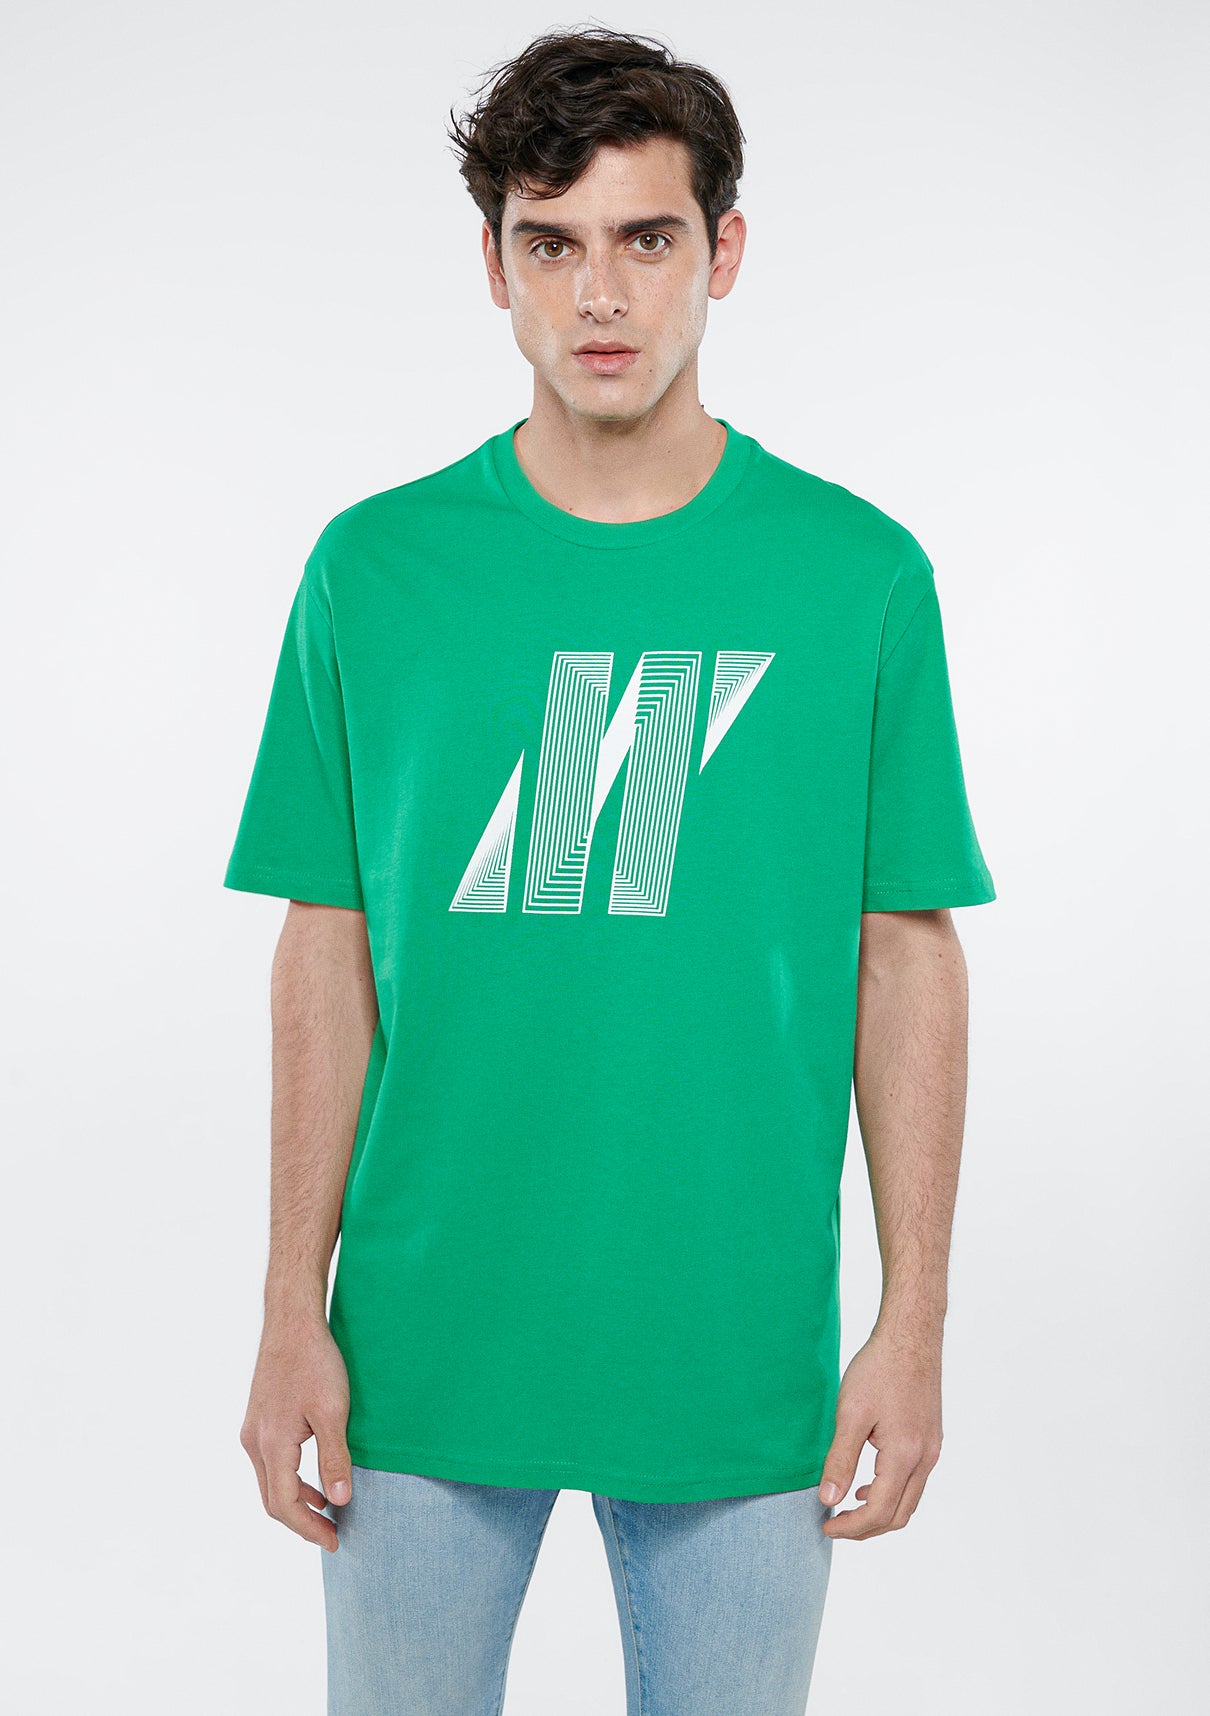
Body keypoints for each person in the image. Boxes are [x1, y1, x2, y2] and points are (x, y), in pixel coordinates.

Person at [224, 24, 996, 1716]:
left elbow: (904, 956)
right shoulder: (375, 572)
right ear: (491, 263)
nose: (599, 294)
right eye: (549, 242)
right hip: (421, 1351)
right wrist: (290, 1304)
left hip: (734, 1357)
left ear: (722, 250)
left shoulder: (855, 577)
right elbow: (324, 946)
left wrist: (914, 1318)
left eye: (645, 238)